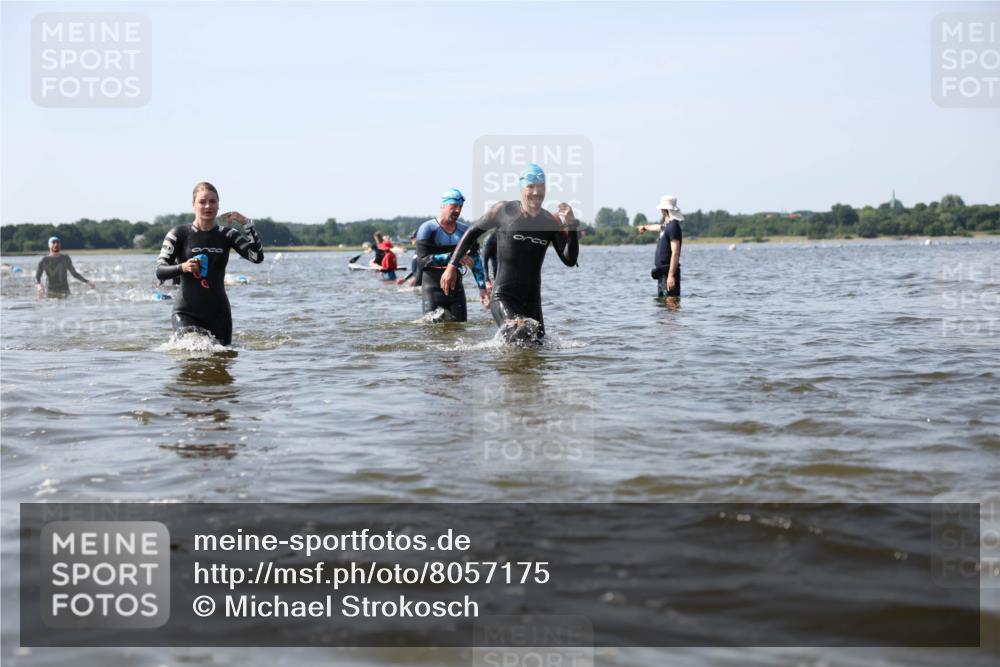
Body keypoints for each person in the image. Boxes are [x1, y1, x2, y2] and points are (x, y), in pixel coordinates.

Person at [441, 164, 578, 343]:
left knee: (537, 346)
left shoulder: (550, 221)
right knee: (519, 337)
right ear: (522, 188)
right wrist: (451, 265)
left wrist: (572, 225)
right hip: (503, 297)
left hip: (532, 301)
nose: (536, 192)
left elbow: (569, 259)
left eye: (541, 187)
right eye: (531, 186)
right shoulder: (503, 211)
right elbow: (472, 232)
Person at [154, 182, 264, 345]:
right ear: (193, 205)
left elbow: (257, 257)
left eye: (213, 202)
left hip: (219, 314)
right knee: (192, 354)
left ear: (219, 205)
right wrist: (182, 267)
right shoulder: (179, 233)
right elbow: (160, 271)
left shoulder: (228, 234)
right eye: (202, 202)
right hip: (186, 312)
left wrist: (247, 225)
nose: (208, 206)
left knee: (220, 361)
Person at [415, 188, 488, 321]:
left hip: (456, 291)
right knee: (432, 335)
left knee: (460, 330)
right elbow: (421, 261)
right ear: (443, 205)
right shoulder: (428, 228)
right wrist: (452, 257)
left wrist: (482, 288)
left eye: (460, 207)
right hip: (432, 290)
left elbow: (475, 261)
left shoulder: (465, 230)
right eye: (454, 206)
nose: (457, 210)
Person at [650, 195, 683, 298]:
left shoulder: (673, 227)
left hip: (668, 273)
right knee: (663, 306)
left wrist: (671, 276)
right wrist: (645, 227)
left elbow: (675, 253)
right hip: (662, 274)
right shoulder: (666, 226)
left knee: (671, 304)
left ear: (665, 210)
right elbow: (657, 227)